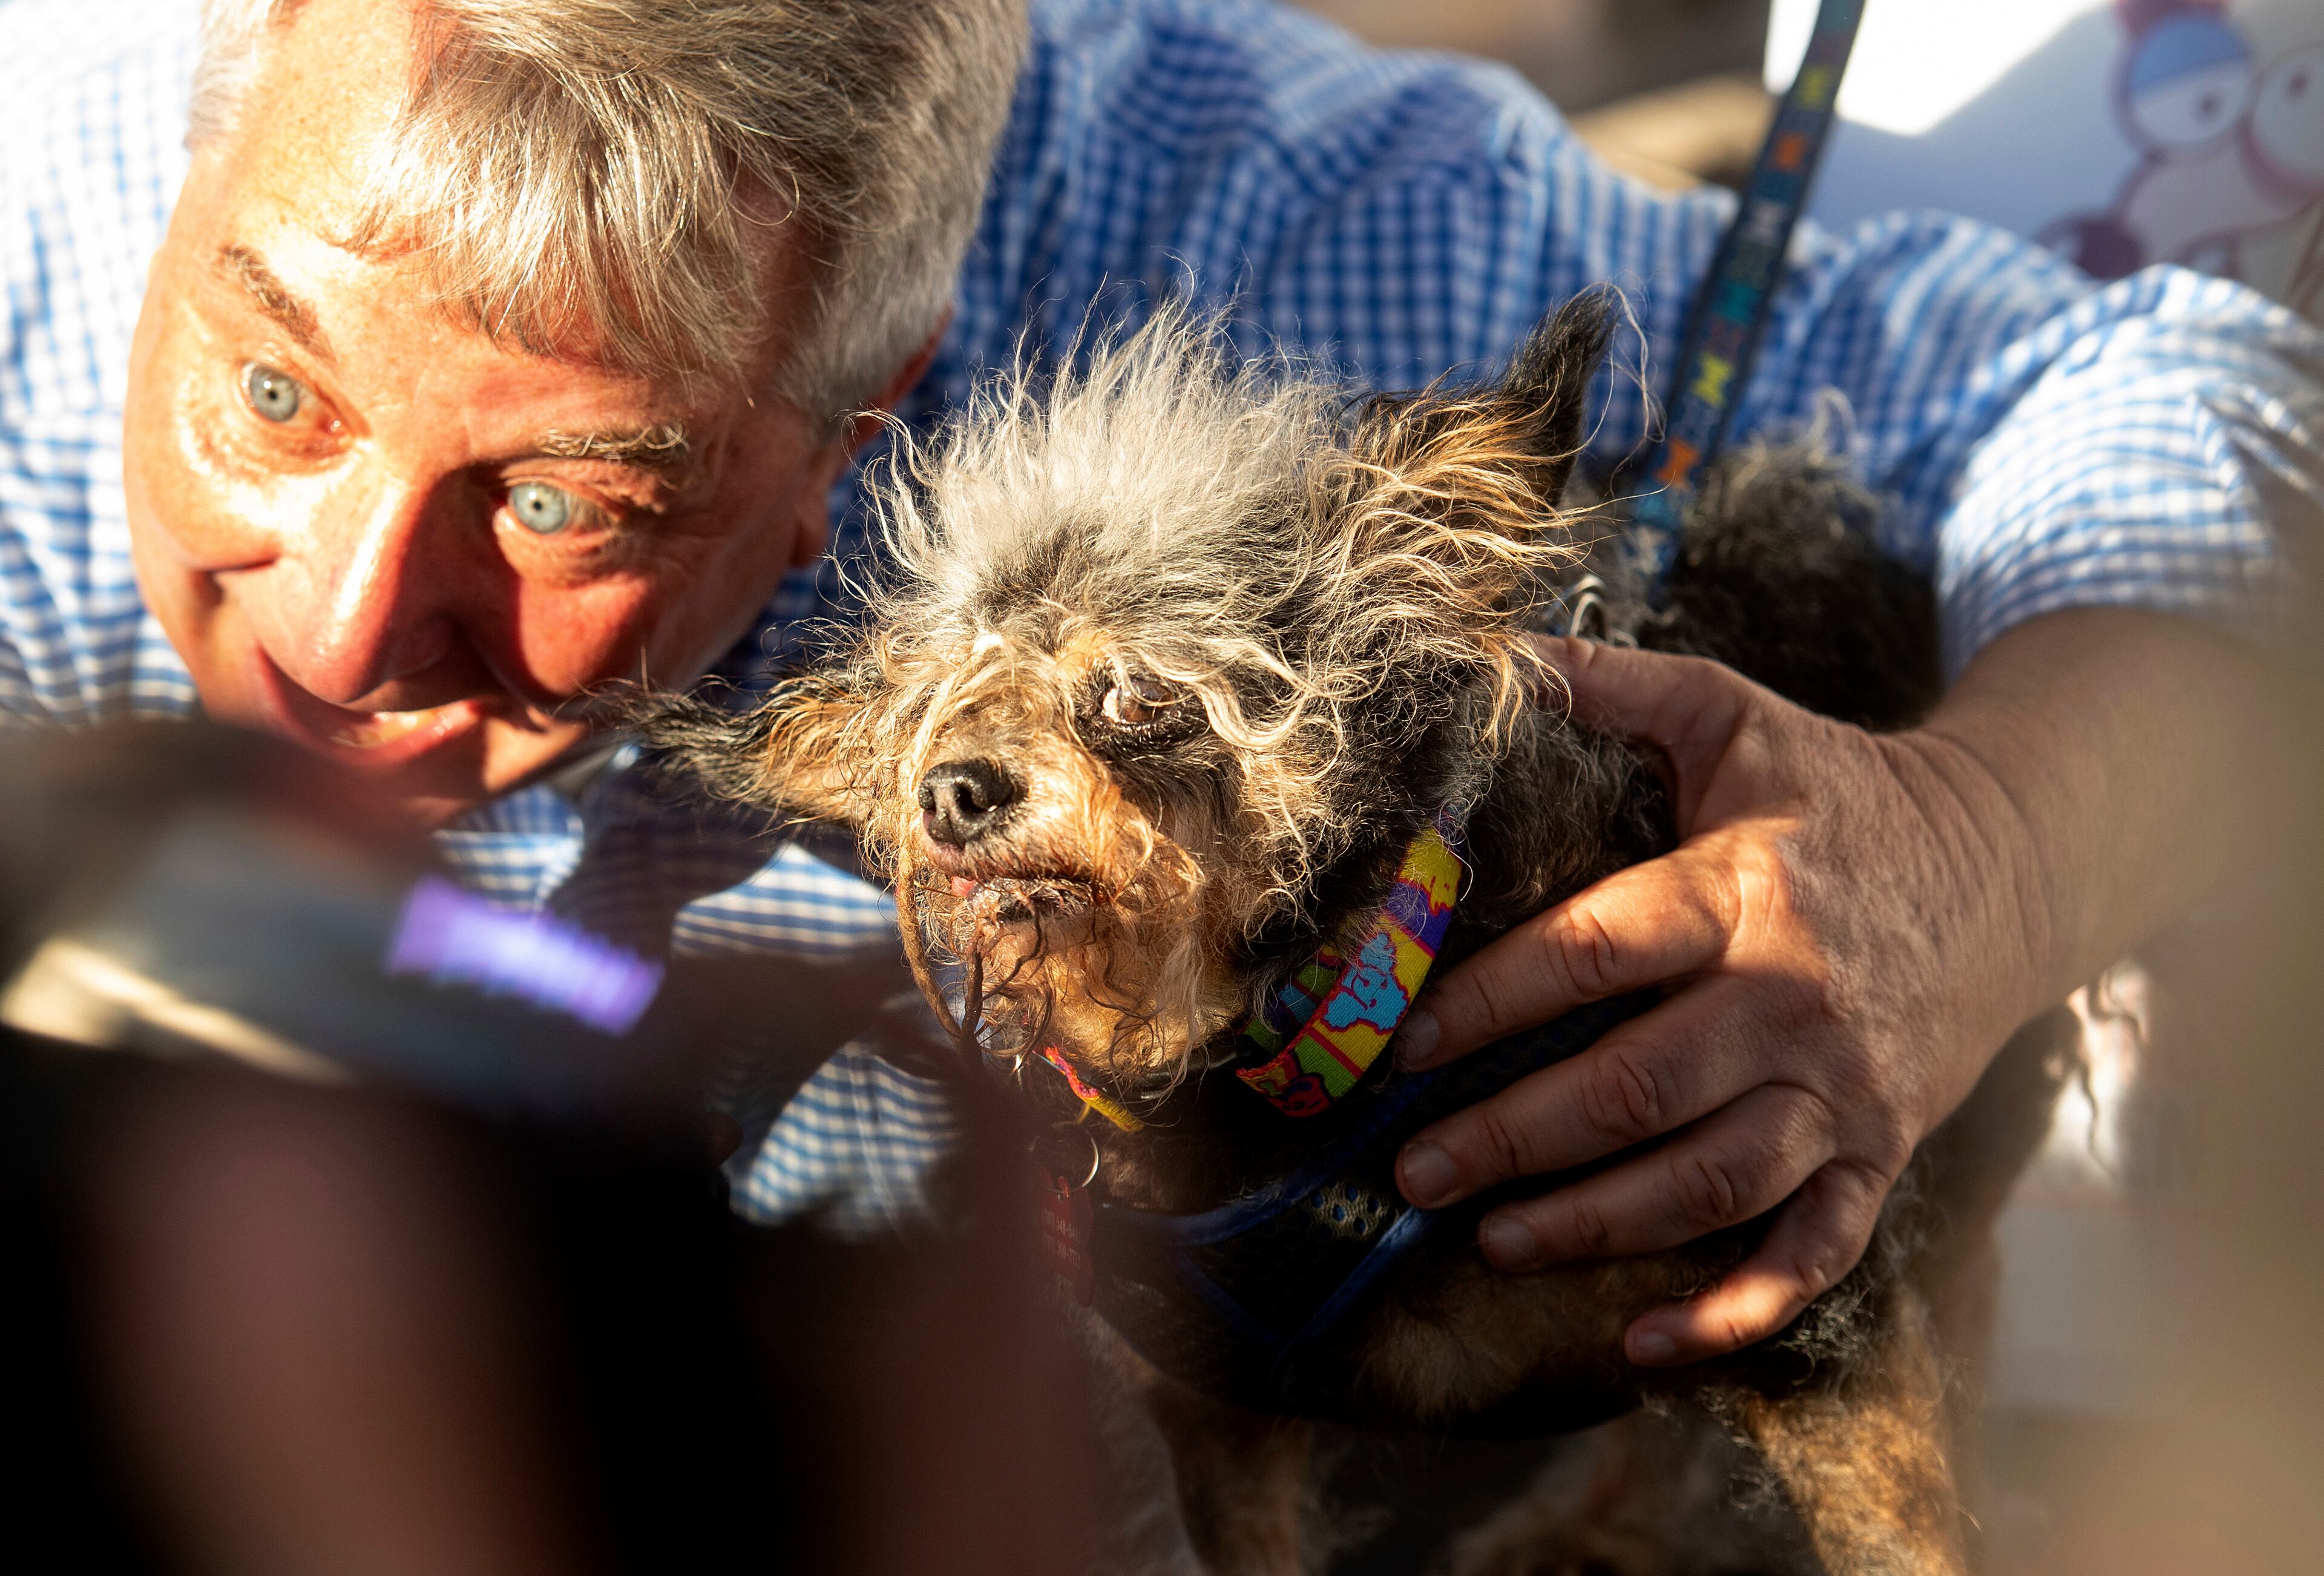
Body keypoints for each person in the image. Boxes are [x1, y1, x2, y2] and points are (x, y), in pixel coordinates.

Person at [1, 0, 2314, 1371]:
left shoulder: (1251, 247)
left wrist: (1993, 847)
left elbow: (2151, 371)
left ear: (879, 399)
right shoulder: (36, 208)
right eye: (272, 399)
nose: (322, 624)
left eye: (571, 503)